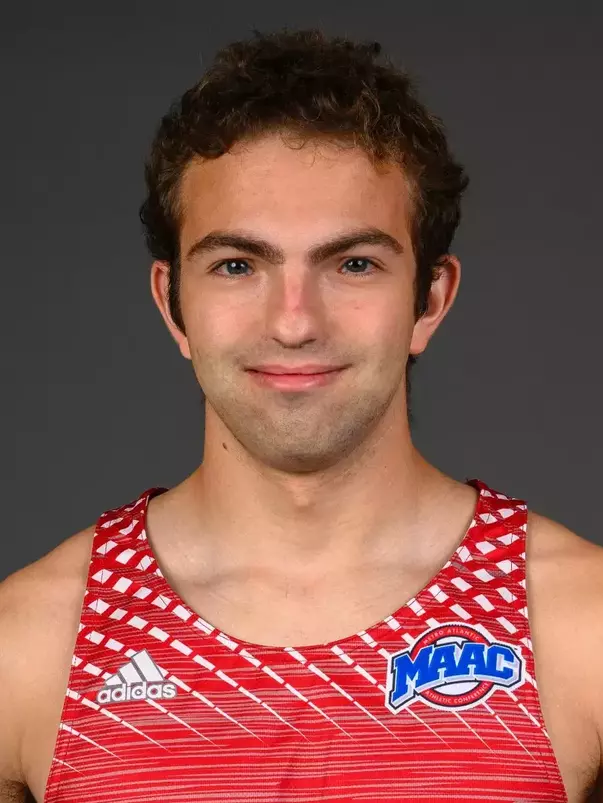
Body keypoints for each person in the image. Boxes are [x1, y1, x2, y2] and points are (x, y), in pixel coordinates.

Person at [1, 26, 601, 803]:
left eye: (352, 263)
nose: (293, 322)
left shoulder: (580, 626)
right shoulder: (30, 645)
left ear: (429, 299)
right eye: (236, 265)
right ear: (172, 304)